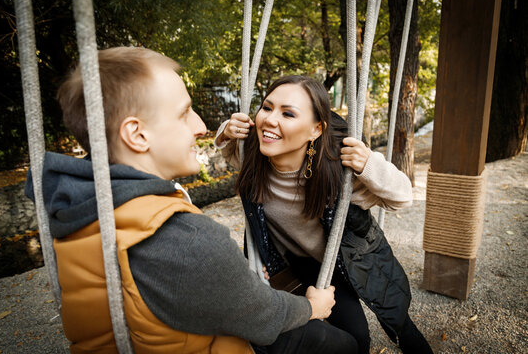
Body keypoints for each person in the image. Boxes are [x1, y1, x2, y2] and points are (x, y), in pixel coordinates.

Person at [25, 48, 360, 353]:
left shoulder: (78, 200)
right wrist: (310, 308)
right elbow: (259, 313)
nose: (201, 126)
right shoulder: (183, 238)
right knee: (341, 345)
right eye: (185, 113)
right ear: (137, 135)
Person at [215, 75, 434, 354]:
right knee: (306, 339)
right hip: (287, 265)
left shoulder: (336, 174)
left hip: (339, 262)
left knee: (374, 332)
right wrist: (226, 130)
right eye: (267, 108)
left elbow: (402, 197)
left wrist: (369, 164)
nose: (270, 120)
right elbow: (228, 145)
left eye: (288, 113)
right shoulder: (253, 158)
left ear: (316, 130)